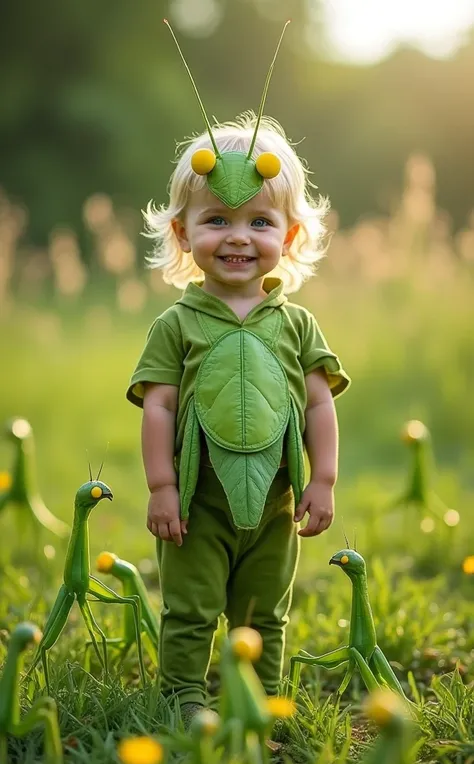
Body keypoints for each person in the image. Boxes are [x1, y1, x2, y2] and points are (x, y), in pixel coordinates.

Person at [126, 24, 350, 727]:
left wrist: (323, 478)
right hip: (197, 501)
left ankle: (262, 694)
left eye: (258, 221)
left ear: (287, 236)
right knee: (190, 605)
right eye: (216, 218)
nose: (237, 236)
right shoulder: (178, 324)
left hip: (278, 502)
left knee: (265, 607)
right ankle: (186, 694)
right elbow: (159, 406)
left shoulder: (297, 324)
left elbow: (317, 403)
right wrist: (162, 486)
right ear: (184, 234)